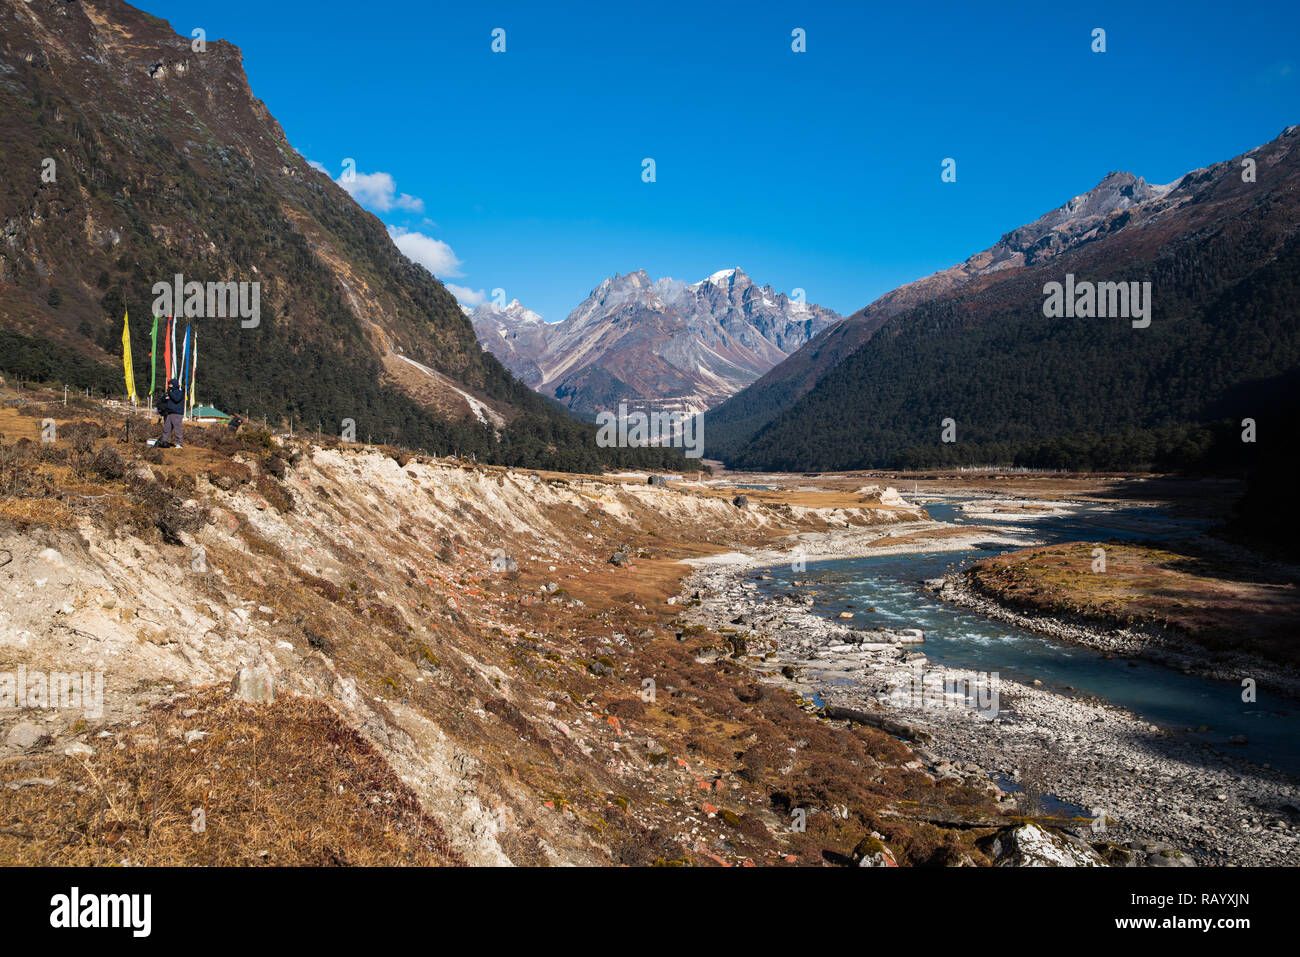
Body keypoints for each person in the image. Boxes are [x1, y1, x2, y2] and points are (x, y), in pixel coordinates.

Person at [156, 377, 186, 448]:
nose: (169, 386)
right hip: (168, 412)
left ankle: (179, 443)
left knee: (177, 428)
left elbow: (176, 399)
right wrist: (165, 396)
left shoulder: (180, 393)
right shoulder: (169, 392)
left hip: (177, 413)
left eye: (170, 384)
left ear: (174, 384)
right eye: (169, 384)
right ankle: (163, 441)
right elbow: (162, 399)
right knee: (167, 428)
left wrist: (170, 393)